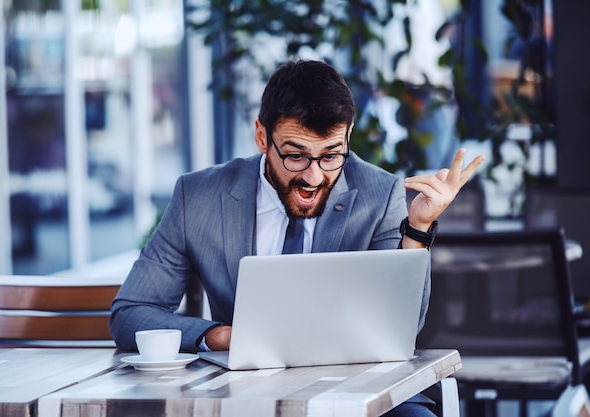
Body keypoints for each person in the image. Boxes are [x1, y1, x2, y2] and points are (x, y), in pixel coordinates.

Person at [110, 59, 484, 417]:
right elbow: (131, 314)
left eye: (331, 155)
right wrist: (218, 335)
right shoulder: (199, 198)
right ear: (262, 137)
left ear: (348, 137)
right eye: (295, 156)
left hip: (365, 393)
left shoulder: (379, 194)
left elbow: (401, 326)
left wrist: (417, 228)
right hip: (247, 396)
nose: (314, 177)